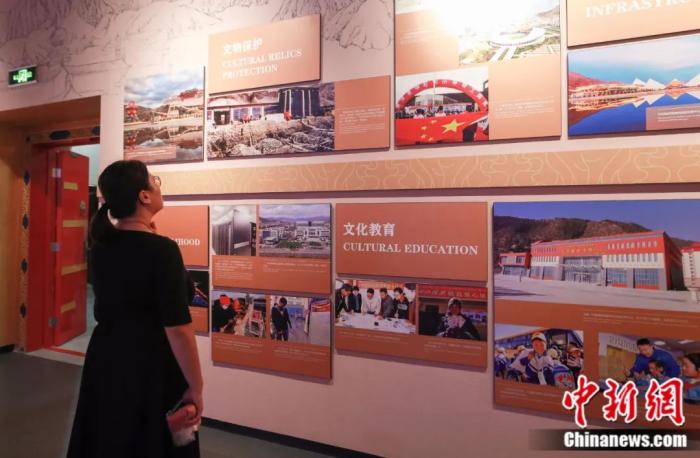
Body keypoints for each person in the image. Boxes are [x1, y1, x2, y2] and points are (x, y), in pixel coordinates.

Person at [68, 160, 202, 457]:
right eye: (155, 180)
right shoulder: (162, 250)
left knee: (109, 437)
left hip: (106, 358)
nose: (158, 185)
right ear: (143, 196)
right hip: (150, 364)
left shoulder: (102, 245)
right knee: (150, 441)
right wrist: (196, 387)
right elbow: (178, 329)